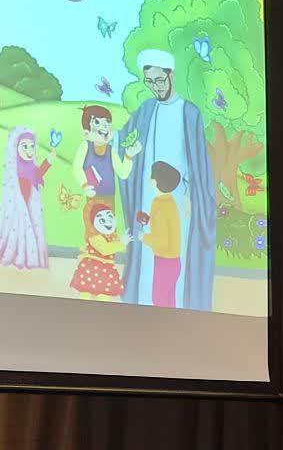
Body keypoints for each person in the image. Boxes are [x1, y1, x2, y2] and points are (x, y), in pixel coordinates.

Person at [116, 49, 214, 310]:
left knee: (172, 253)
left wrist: (191, 196)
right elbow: (123, 139)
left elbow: (198, 162)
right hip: (148, 194)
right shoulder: (146, 110)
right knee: (148, 257)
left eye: (159, 80)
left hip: (179, 199)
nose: (155, 87)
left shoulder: (189, 112)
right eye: (149, 82)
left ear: (171, 76)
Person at [0, 127, 50, 269]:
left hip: (29, 203)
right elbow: (10, 188)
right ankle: (17, 254)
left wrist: (48, 161)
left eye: (32, 146)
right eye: (24, 146)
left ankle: (28, 255)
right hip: (17, 204)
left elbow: (38, 174)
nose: (29, 150)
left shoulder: (32, 167)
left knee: (30, 226)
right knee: (17, 228)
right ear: (15, 147)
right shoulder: (13, 169)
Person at [72, 105, 140, 209]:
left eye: (107, 122)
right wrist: (84, 185)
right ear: (86, 133)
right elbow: (77, 167)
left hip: (109, 197)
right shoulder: (86, 146)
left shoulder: (110, 150)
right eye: (97, 122)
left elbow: (123, 173)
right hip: (93, 196)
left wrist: (128, 156)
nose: (104, 126)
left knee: (109, 219)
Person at [139, 161, 182, 308]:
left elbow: (162, 241)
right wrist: (149, 220)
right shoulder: (167, 201)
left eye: (151, 175)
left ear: (155, 181)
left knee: (158, 300)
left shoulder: (160, 206)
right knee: (169, 302)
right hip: (173, 261)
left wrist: (143, 237)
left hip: (165, 262)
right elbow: (165, 227)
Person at [69, 199, 127, 300]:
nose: (108, 222)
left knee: (104, 294)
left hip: (105, 269)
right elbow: (105, 249)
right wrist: (122, 243)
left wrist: (122, 242)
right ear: (92, 223)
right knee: (86, 292)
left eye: (110, 217)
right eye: (102, 220)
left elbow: (115, 247)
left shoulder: (111, 236)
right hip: (91, 269)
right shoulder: (94, 237)